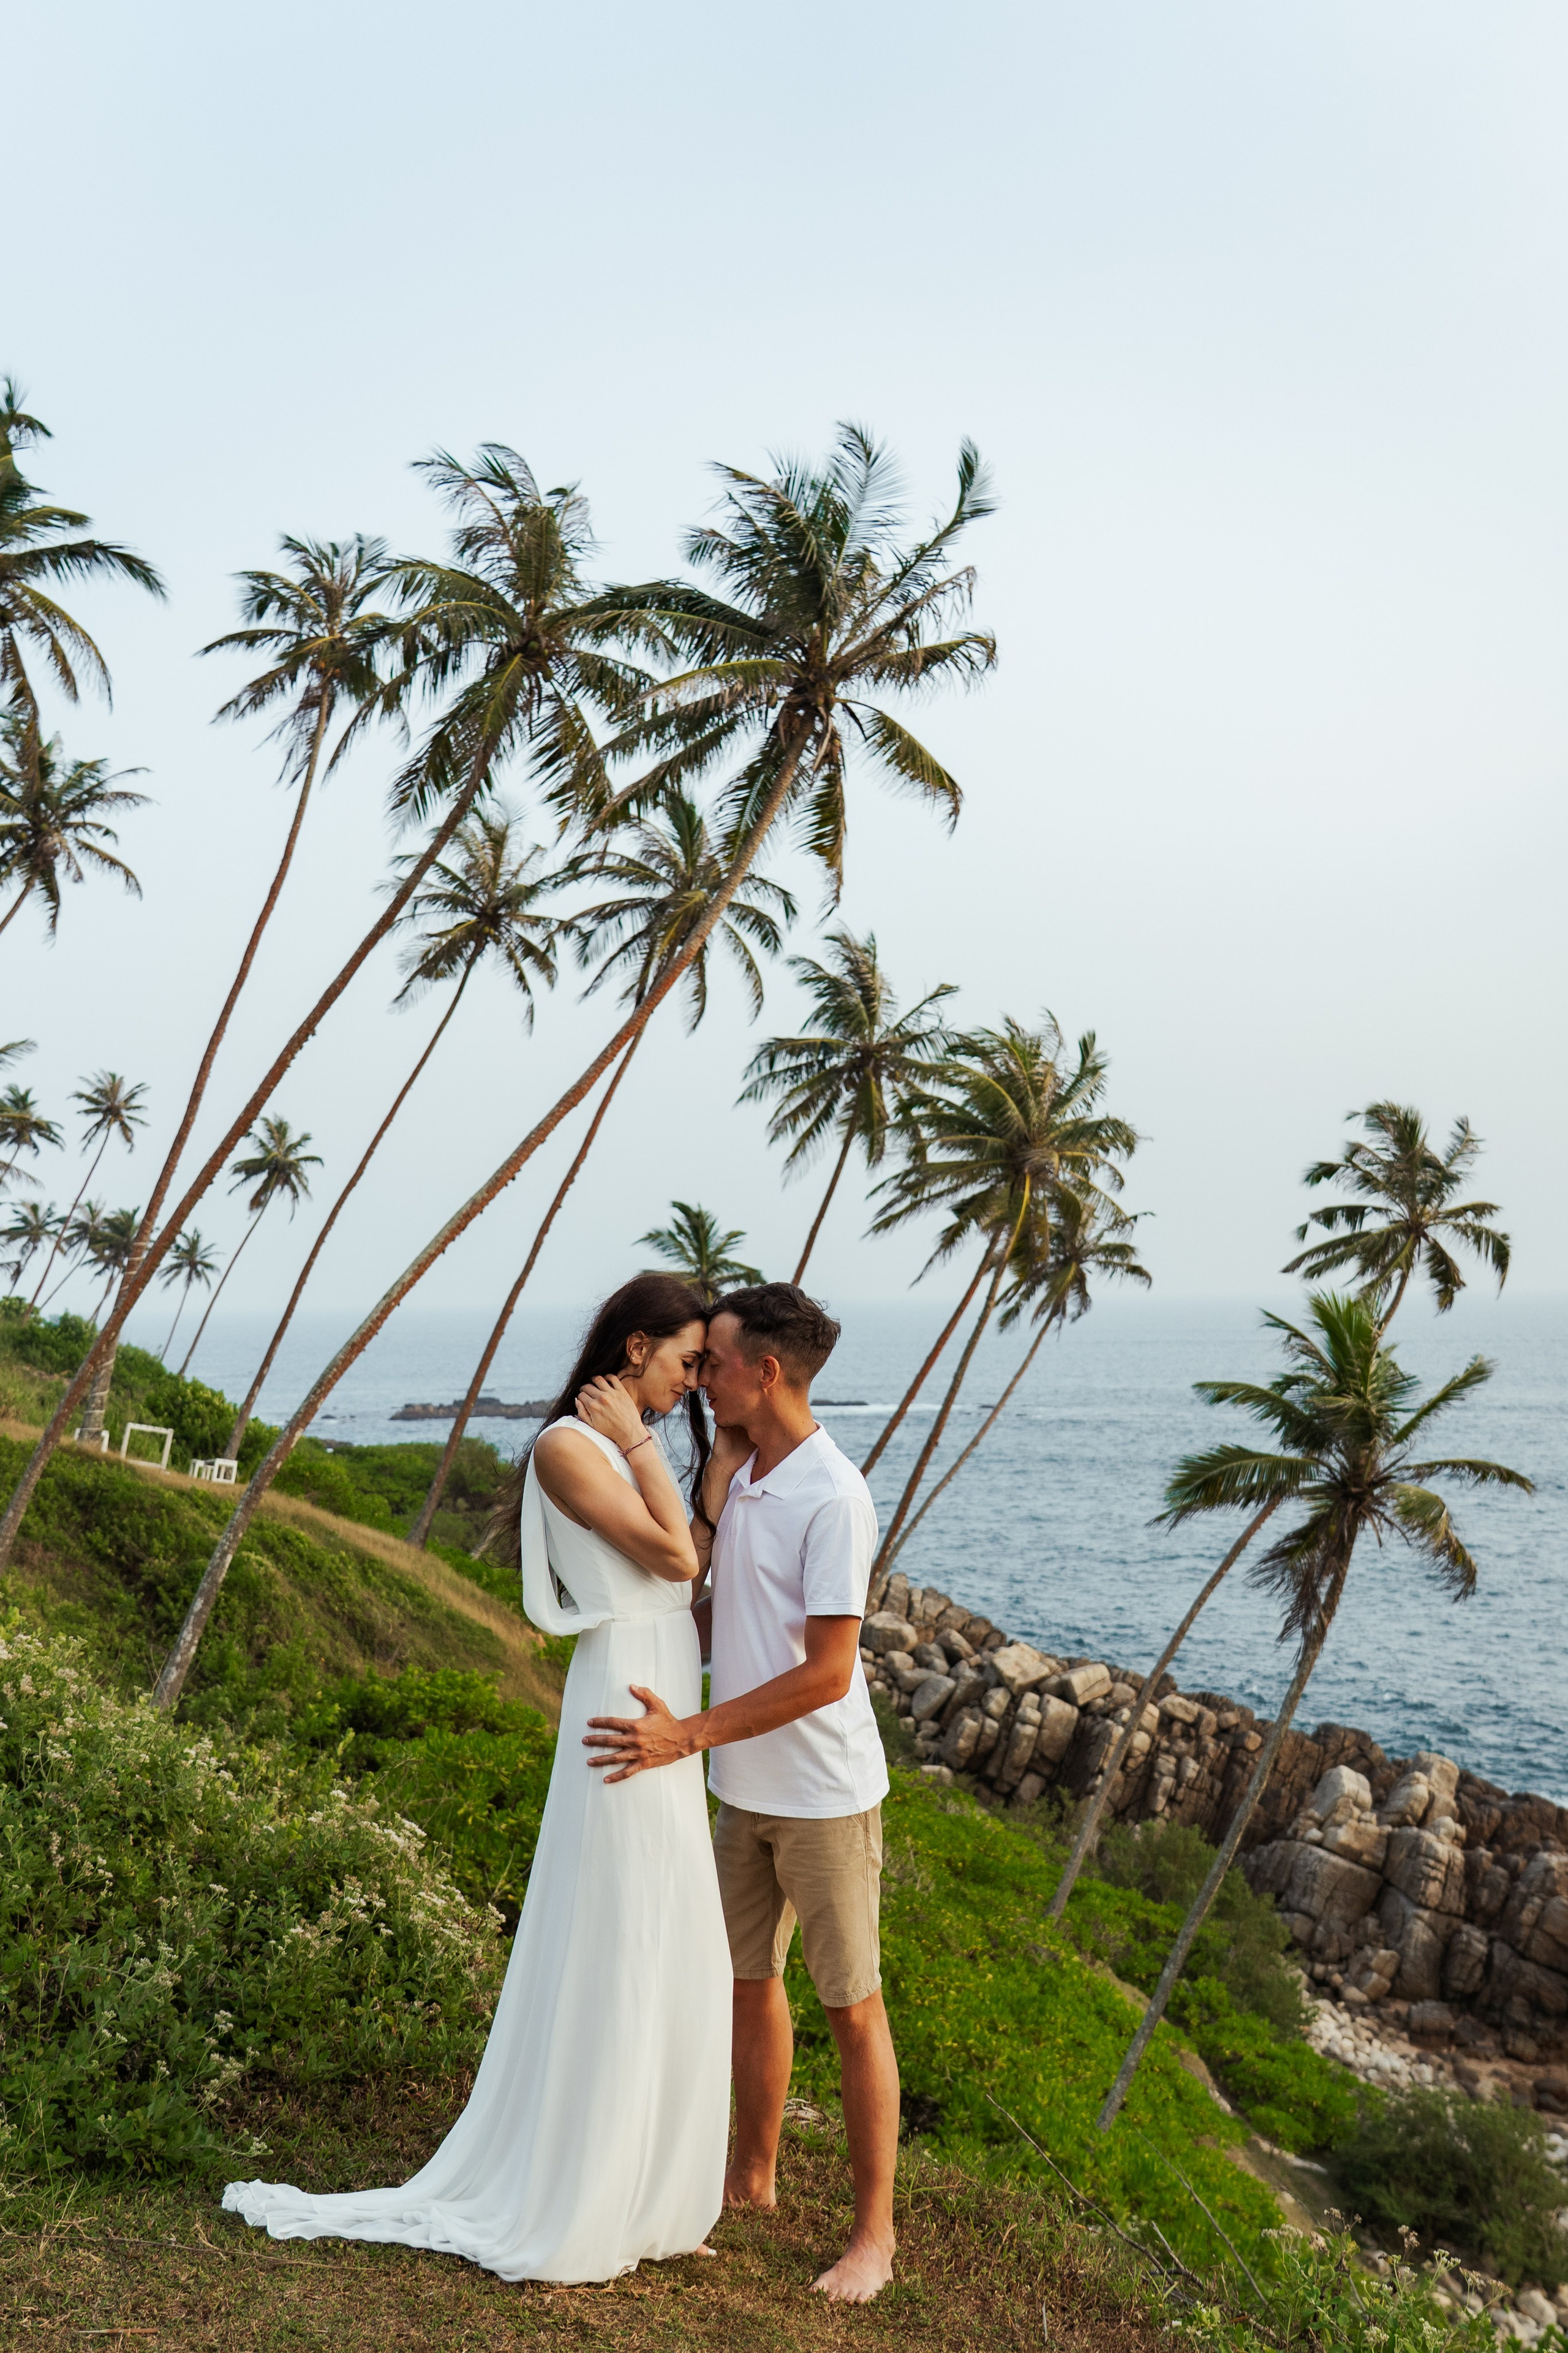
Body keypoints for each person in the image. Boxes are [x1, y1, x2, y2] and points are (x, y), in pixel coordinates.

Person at [224, 1275, 731, 2284]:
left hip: (664, 1682)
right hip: (627, 1692)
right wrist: (639, 1443)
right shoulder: (567, 1447)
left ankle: (649, 2193)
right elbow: (679, 1559)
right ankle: (583, 2188)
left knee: (675, 1935)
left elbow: (699, 1559)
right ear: (634, 1350)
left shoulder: (632, 1444)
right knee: (623, 1932)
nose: (691, 1383)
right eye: (683, 1362)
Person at [585, 1281, 898, 2305]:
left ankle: (874, 2237)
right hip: (740, 1786)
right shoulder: (747, 1475)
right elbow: (718, 1616)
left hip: (822, 1793)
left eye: (714, 1360)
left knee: (852, 2008)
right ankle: (750, 2180)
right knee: (746, 1984)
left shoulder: (832, 1495)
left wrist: (688, 1731)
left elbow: (827, 1672)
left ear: (765, 1373)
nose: (699, 1372)